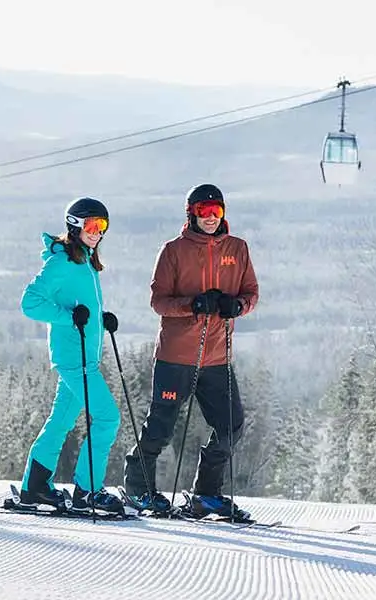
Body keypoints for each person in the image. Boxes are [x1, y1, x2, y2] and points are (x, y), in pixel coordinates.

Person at [122, 183, 259, 520]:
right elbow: (158, 302)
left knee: (232, 426)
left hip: (217, 358)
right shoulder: (173, 251)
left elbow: (252, 292)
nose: (211, 218)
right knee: (161, 428)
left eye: (217, 211)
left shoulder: (238, 248)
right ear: (191, 214)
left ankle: (207, 495)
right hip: (176, 357)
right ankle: (139, 489)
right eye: (203, 211)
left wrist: (237, 305)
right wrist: (193, 305)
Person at [17, 196, 124, 514]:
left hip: (83, 356)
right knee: (108, 417)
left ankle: (34, 486)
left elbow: (80, 305)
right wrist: (69, 317)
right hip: (73, 358)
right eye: (92, 225)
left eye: (102, 226)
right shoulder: (62, 261)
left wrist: (100, 318)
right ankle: (87, 491)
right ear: (75, 225)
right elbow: (30, 302)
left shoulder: (87, 260)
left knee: (61, 420)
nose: (98, 232)